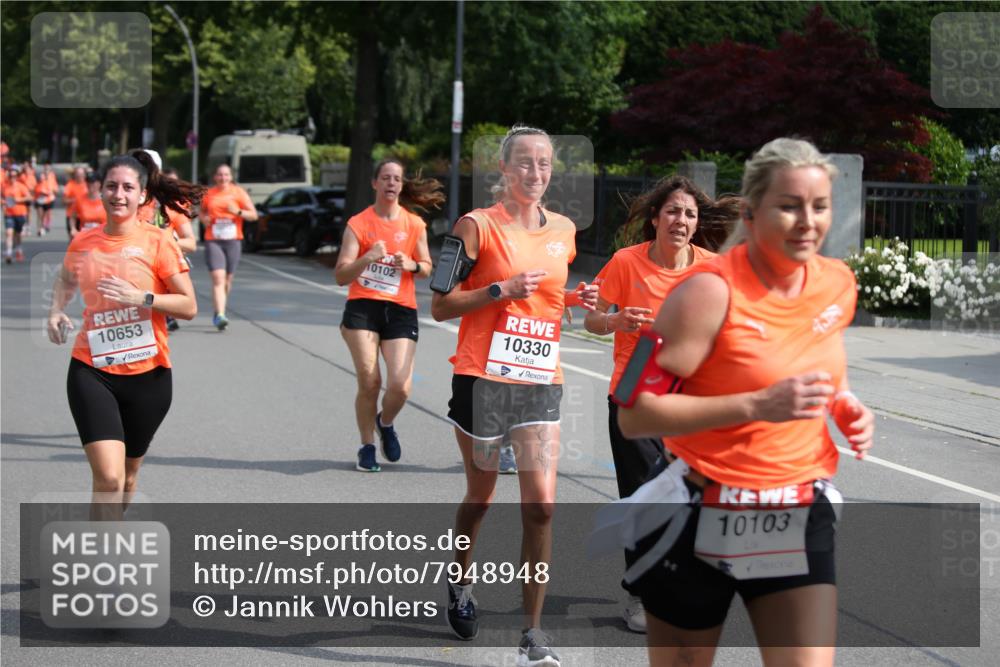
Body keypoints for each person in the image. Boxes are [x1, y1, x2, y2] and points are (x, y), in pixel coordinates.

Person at [616, 138, 875, 666]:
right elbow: (632, 411)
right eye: (789, 205)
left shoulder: (835, 283)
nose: (808, 221)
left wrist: (844, 404)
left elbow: (823, 363)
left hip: (793, 508)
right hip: (697, 513)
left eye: (820, 206)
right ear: (753, 213)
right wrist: (755, 405)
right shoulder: (702, 293)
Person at [431, 124, 598, 666]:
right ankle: (459, 582)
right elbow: (440, 305)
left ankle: (532, 633)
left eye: (544, 163)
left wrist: (577, 297)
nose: (535, 172)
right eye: (524, 162)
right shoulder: (475, 226)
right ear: (503, 170)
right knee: (480, 500)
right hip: (483, 380)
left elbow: (548, 300)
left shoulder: (565, 231)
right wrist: (498, 289)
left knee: (542, 507)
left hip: (540, 382)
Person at [582, 176, 735, 633]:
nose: (681, 221)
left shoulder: (712, 268)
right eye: (672, 212)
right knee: (641, 497)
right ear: (655, 218)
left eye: (689, 214)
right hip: (637, 387)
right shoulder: (626, 262)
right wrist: (616, 319)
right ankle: (641, 594)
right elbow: (592, 319)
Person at [46, 152, 201, 519]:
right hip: (92, 370)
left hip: (150, 377)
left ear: (142, 194)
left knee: (128, 479)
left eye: (128, 187)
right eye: (112, 186)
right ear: (100, 191)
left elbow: (189, 306)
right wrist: (56, 310)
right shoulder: (84, 242)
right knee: (109, 479)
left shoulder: (158, 242)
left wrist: (143, 298)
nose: (119, 194)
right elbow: (66, 279)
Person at [334, 158, 441, 471]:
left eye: (397, 178)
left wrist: (412, 266)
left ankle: (386, 421)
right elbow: (341, 276)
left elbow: (426, 267)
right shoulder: (359, 223)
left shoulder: (413, 224)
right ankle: (367, 446)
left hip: (401, 310)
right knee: (370, 381)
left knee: (400, 386)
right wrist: (368, 257)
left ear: (401, 185)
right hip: (362, 308)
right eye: (386, 177)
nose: (392, 183)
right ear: (375, 184)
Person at [199, 164, 257, 330]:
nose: (223, 178)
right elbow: (200, 211)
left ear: (231, 177)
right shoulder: (209, 194)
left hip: (233, 241)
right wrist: (204, 219)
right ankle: (220, 315)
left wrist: (238, 212)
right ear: (215, 177)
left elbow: (253, 215)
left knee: (227, 280)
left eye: (226, 175)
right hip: (213, 240)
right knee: (218, 278)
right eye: (219, 175)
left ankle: (219, 308)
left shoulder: (238, 193)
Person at [3, 164, 31, 263]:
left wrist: (18, 199)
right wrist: (3, 202)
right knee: (9, 233)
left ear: (17, 176)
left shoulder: (21, 186)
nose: (12, 178)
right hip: (8, 213)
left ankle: (19, 250)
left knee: (18, 234)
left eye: (14, 176)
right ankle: (9, 253)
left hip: (20, 213)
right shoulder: (4, 186)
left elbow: (29, 197)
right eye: (11, 176)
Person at [63, 166, 88, 240]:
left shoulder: (88, 185)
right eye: (78, 174)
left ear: (84, 175)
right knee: (73, 239)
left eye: (81, 174)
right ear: (75, 175)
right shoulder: (70, 185)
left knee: (84, 239)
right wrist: (74, 201)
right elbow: (64, 201)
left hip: (85, 216)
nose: (80, 176)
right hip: (71, 216)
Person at [34, 163, 59, 235]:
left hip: (49, 198)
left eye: (48, 169)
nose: (46, 170)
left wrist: (53, 191)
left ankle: (46, 224)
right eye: (45, 168)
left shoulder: (52, 176)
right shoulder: (40, 176)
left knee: (47, 213)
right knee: (40, 214)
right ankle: (40, 228)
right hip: (40, 198)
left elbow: (54, 187)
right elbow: (36, 186)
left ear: (50, 169)